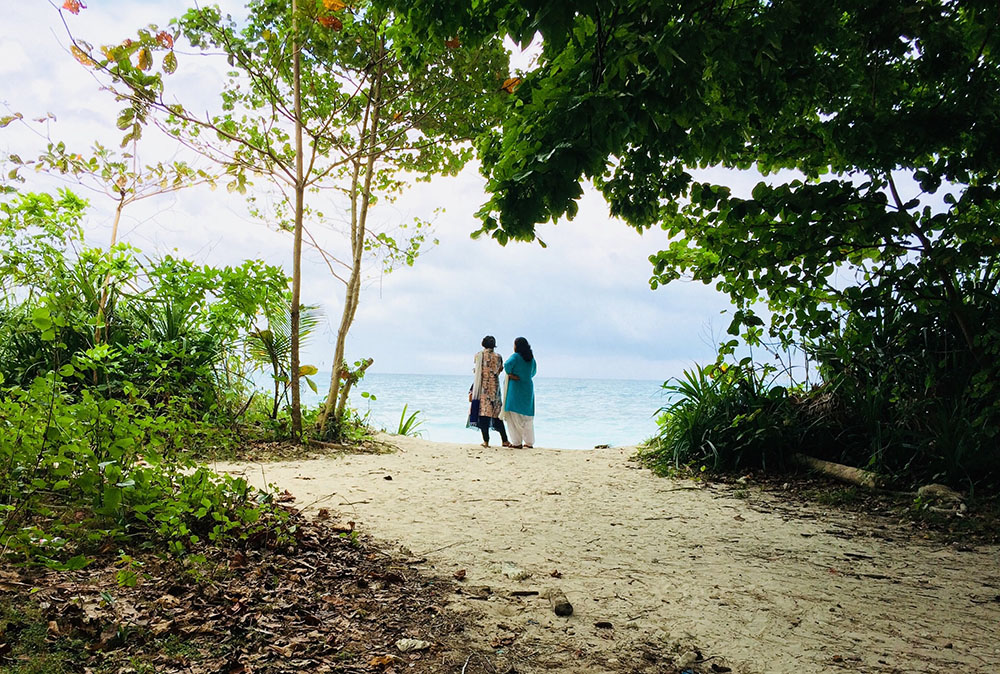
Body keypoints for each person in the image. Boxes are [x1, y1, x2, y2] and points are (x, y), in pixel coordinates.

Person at [467, 335, 511, 448]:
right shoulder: (498, 357)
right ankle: (505, 440)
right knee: (496, 414)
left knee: (483, 415)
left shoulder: (478, 355)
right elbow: (500, 370)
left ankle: (486, 442)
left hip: (482, 388)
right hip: (495, 388)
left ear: (483, 344)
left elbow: (477, 371)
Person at [503, 336, 537, 448]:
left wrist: (511, 374)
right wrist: (525, 376)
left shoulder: (516, 356)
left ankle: (517, 442)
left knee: (513, 416)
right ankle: (529, 442)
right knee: (527, 417)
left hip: (516, 388)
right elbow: (533, 372)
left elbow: (507, 365)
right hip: (527, 387)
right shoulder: (531, 358)